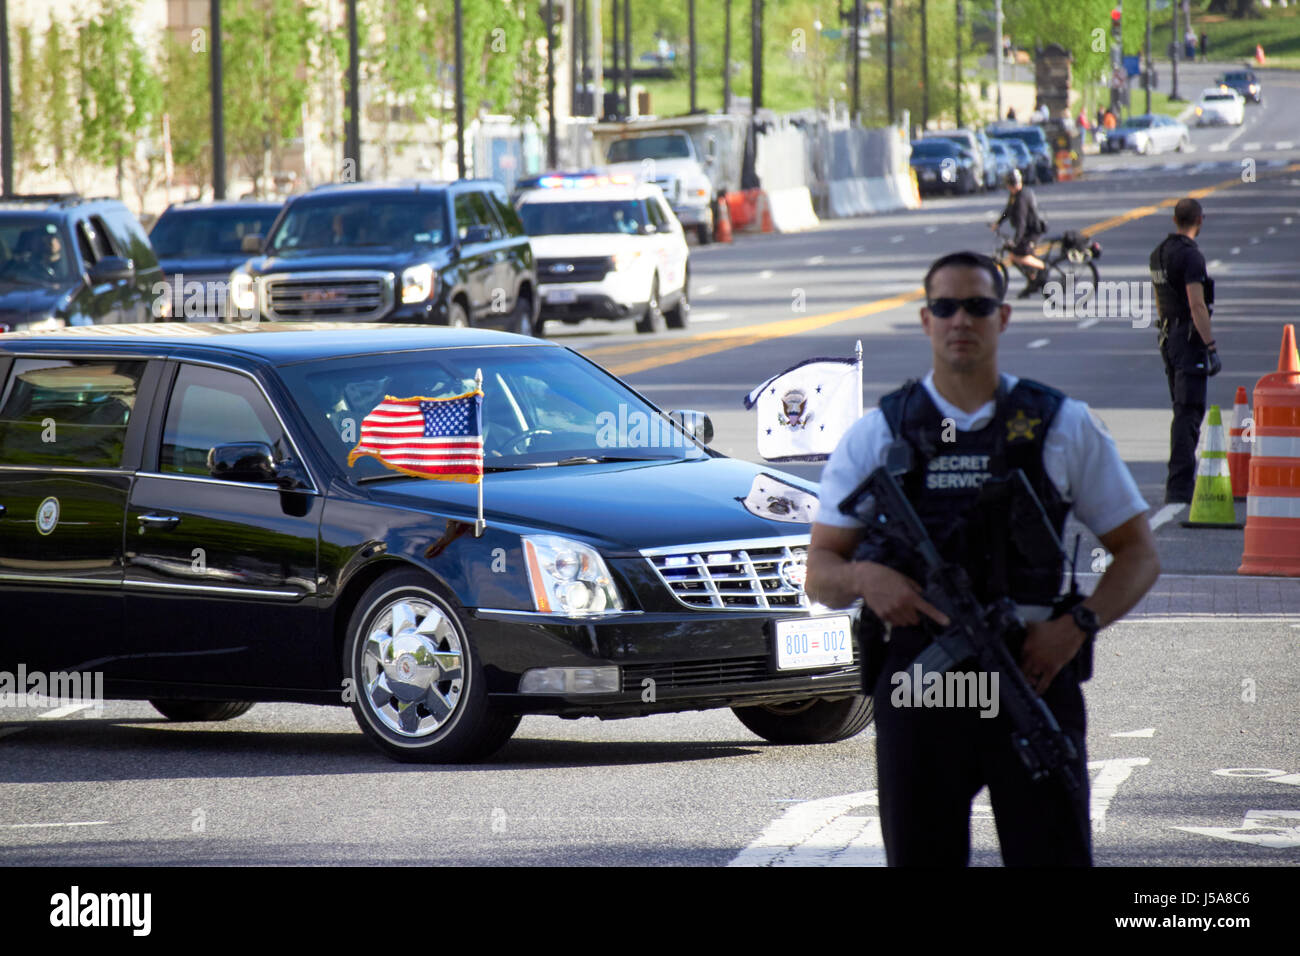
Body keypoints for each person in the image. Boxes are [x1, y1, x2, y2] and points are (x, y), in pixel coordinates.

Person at [806, 251, 1160, 866]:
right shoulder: (879, 434)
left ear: (1004, 316)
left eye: (977, 306)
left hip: (1033, 670)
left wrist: (1074, 630)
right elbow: (821, 575)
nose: (960, 320)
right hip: (922, 685)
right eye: (945, 307)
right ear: (925, 320)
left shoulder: (1060, 425)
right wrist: (866, 576)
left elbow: (1138, 555)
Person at [1150, 198, 1219, 505]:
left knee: (1181, 409)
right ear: (1199, 220)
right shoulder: (1191, 257)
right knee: (1189, 411)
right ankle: (1179, 485)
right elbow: (1196, 304)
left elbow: (1159, 299)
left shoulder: (1159, 253)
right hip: (1188, 339)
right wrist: (1210, 345)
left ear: (1175, 220)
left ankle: (1179, 481)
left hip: (1168, 336)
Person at [990, 169, 1046, 298]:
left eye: (1008, 185)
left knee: (1017, 256)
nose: (1008, 188)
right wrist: (998, 222)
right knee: (1016, 255)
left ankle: (1044, 268)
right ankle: (1032, 281)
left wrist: (1016, 241)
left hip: (1032, 232)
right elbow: (1007, 211)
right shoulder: (1015, 195)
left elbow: (1022, 223)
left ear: (1011, 184)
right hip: (1026, 231)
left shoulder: (1021, 198)